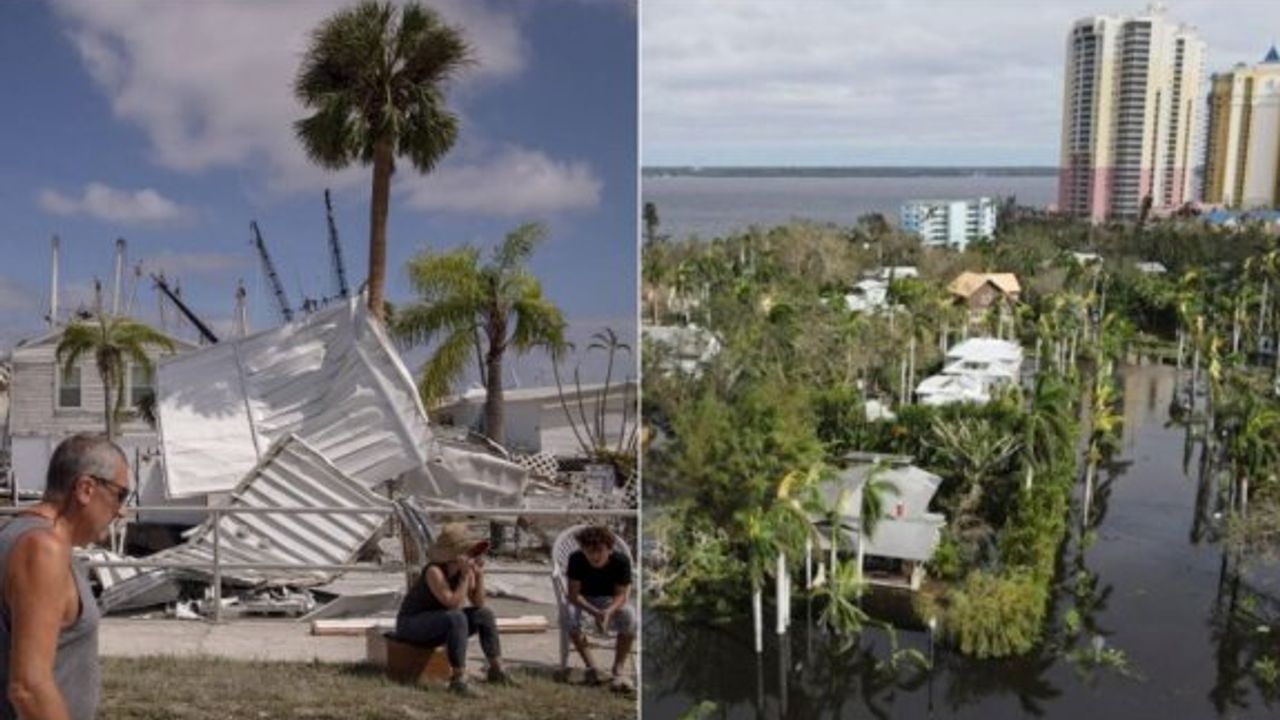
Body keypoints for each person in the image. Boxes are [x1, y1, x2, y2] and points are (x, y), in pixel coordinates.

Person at [1, 433, 130, 720]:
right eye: (120, 495)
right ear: (86, 488)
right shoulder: (41, 549)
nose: (123, 511)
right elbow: (28, 687)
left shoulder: (19, 537)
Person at [395, 522, 514, 697]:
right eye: (469, 551)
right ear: (455, 554)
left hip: (438, 622)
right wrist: (465, 576)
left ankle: (496, 669)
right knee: (456, 617)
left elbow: (479, 604)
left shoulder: (462, 571)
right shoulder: (434, 571)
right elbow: (453, 604)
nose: (472, 555)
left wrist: (479, 575)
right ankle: (458, 679)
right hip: (412, 625)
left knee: (485, 615)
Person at [565, 525, 636, 692]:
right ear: (583, 549)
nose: (595, 556)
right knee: (569, 615)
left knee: (630, 616)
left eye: (600, 551)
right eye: (589, 551)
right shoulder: (576, 559)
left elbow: (621, 595)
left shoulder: (621, 561)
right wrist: (595, 613)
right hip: (582, 598)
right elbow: (573, 595)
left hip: (609, 599)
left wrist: (608, 612)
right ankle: (592, 668)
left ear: (609, 549)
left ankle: (618, 667)